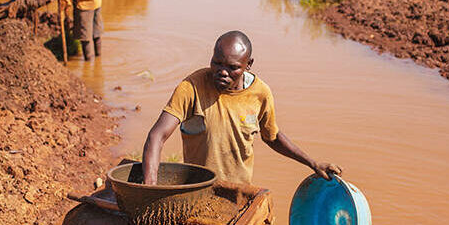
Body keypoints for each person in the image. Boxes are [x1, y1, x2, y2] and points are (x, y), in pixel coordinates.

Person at [142, 30, 342, 186]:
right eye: (217, 63)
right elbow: (157, 136)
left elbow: (272, 136)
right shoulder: (193, 87)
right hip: (197, 187)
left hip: (237, 191)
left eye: (232, 67)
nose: (222, 72)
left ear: (249, 64)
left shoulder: (260, 94)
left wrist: (312, 163)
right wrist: (148, 187)